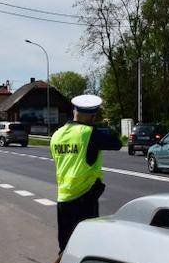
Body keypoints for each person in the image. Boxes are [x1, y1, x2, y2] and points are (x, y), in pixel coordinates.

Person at [50, 94, 121, 250]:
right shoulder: (89, 133)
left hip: (63, 199)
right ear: (93, 116)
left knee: (66, 247)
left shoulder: (57, 135)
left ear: (74, 111)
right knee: (88, 246)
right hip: (85, 199)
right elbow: (117, 143)